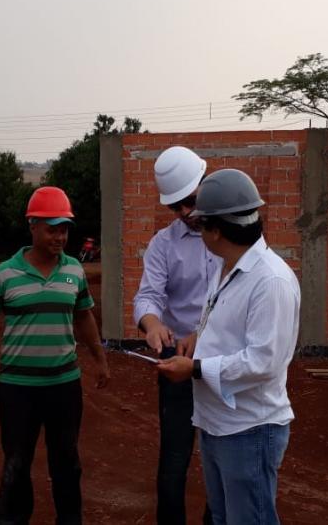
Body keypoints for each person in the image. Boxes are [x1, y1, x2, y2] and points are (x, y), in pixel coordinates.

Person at [157, 169, 300, 525]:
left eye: (201, 224)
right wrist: (196, 339)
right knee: (224, 518)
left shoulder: (271, 281)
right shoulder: (230, 268)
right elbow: (228, 329)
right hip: (218, 423)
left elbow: (264, 360)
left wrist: (196, 368)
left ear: (216, 230)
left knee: (248, 519)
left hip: (249, 429)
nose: (197, 231)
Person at [0, 186, 111, 525]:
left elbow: (84, 317)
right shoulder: (5, 273)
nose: (60, 236)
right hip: (17, 388)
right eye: (52, 229)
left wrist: (100, 358)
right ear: (32, 226)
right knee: (16, 463)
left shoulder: (75, 270)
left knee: (67, 462)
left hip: (64, 385)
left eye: (64, 229)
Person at [133, 146, 216, 525]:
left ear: (206, 183)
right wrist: (152, 324)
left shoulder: (235, 238)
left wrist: (203, 334)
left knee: (223, 461)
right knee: (174, 462)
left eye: (190, 201)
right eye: (176, 206)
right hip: (177, 365)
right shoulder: (163, 245)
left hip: (223, 365)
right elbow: (149, 295)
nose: (185, 213)